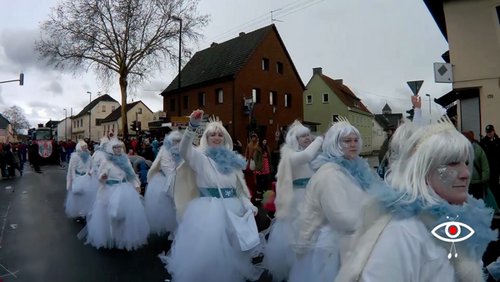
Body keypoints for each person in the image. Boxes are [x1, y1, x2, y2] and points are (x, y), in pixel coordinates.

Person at [335, 117, 498, 281]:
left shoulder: (457, 220)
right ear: (425, 171)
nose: (466, 173)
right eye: (453, 163)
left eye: (466, 163)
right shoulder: (404, 231)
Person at [162, 110, 261, 282]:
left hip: (233, 210)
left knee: (231, 250)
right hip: (209, 211)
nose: (216, 137)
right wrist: (192, 126)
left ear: (225, 138)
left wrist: (248, 205)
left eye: (220, 135)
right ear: (206, 138)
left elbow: (239, 189)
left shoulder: (232, 162)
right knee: (212, 253)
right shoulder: (200, 158)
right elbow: (185, 150)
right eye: (212, 135)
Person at [290, 118, 376, 282]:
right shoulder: (330, 174)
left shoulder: (359, 168)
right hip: (332, 248)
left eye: (356, 140)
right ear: (335, 143)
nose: (353, 144)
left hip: (352, 241)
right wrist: (375, 219)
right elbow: (343, 218)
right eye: (347, 141)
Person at [262, 120, 323, 282]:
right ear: (294, 139)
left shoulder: (315, 156)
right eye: (303, 136)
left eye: (309, 135)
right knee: (299, 235)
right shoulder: (290, 155)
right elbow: (306, 155)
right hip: (298, 201)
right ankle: (300, 269)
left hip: (313, 198)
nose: (308, 138)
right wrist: (320, 139)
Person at [83, 137, 149, 251]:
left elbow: (131, 174)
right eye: (115, 147)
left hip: (125, 190)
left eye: (119, 147)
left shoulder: (126, 160)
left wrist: (136, 185)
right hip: (110, 190)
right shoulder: (106, 161)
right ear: (111, 149)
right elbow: (101, 175)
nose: (118, 149)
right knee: (112, 216)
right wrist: (103, 177)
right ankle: (111, 236)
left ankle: (121, 236)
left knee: (124, 216)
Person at [144, 130, 182, 236]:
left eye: (178, 140)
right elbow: (157, 162)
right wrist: (151, 174)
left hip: (182, 181)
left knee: (180, 206)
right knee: (171, 206)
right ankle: (173, 229)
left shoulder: (185, 150)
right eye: (174, 140)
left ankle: (179, 229)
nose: (176, 142)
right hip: (169, 181)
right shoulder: (164, 150)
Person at [65, 140, 94, 219]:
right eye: (83, 147)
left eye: (86, 146)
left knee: (86, 196)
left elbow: (92, 166)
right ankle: (79, 211)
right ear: (79, 147)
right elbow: (72, 169)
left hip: (87, 178)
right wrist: (74, 179)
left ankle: (85, 211)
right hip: (78, 178)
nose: (85, 148)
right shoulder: (75, 157)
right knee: (78, 196)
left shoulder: (89, 156)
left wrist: (90, 172)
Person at [480, 124, 500, 204]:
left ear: (493, 131)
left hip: (496, 168)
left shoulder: (498, 141)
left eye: (490, 132)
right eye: (488, 132)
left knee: (496, 186)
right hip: (487, 168)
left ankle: (497, 204)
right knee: (489, 187)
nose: (489, 134)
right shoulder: (484, 142)